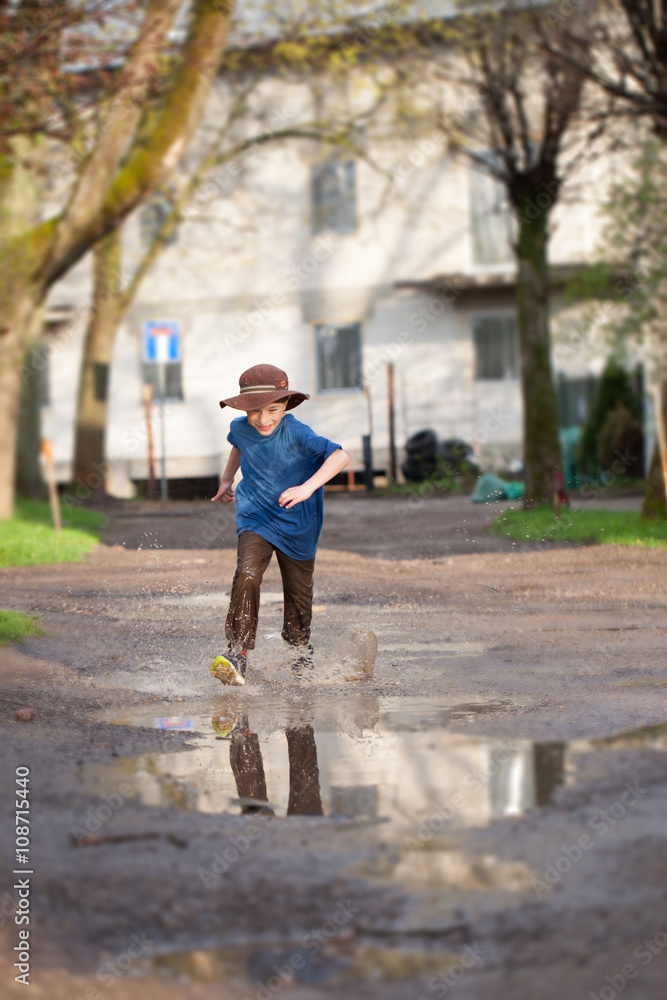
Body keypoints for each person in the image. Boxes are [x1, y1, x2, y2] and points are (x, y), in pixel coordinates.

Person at [210, 363, 349, 685]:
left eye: (272, 409)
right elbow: (238, 444)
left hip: (299, 523)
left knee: (298, 594)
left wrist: (307, 487)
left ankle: (299, 648)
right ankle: (237, 652)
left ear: (286, 404)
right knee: (247, 573)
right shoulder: (241, 427)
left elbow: (341, 457)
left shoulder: (297, 432)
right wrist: (228, 479)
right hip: (255, 515)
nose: (263, 419)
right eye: (254, 411)